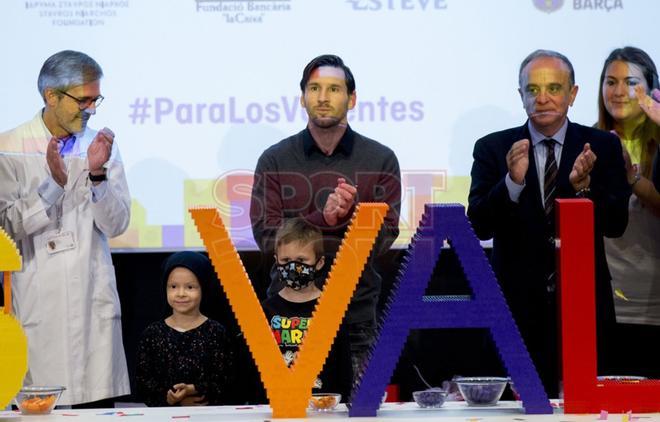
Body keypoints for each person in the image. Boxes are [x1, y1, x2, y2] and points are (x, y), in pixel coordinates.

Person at [467, 49, 631, 397]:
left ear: (572, 94)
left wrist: (584, 189)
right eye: (532, 89)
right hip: (514, 309)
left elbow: (616, 224)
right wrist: (511, 182)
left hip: (584, 308)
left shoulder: (602, 146)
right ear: (521, 95)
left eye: (554, 88)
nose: (542, 98)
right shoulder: (493, 148)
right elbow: (478, 225)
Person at [249, 54, 401, 375]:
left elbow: (385, 239)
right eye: (314, 88)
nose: (322, 97)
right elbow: (266, 236)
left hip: (356, 313)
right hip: (289, 314)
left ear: (352, 98)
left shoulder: (382, 158)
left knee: (359, 411)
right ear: (302, 98)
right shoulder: (274, 159)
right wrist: (325, 220)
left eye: (334, 89)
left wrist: (352, 216)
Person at [0, 50, 130, 406]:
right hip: (39, 310)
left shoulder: (101, 147)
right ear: (51, 96)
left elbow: (117, 224)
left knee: (95, 404)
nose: (90, 109)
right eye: (82, 100)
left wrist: (98, 176)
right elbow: (6, 232)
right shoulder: (9, 148)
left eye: (95, 99)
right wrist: (52, 186)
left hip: (93, 314)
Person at [596, 46, 660, 377]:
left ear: (652, 89)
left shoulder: (657, 141)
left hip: (653, 302)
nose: (619, 91)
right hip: (603, 304)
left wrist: (633, 179)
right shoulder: (587, 142)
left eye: (630, 81)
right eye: (610, 81)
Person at [261, 218, 353, 398]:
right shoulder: (265, 310)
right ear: (276, 261)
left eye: (301, 260)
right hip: (277, 407)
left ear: (319, 263)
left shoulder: (332, 309)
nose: (293, 267)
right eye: (286, 260)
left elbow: (343, 365)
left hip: (324, 407)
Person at [136, 251, 233, 407]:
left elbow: (226, 379)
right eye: (173, 286)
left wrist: (193, 390)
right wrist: (170, 399)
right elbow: (143, 382)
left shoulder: (216, 332)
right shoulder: (152, 334)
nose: (181, 294)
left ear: (204, 288)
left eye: (190, 287)